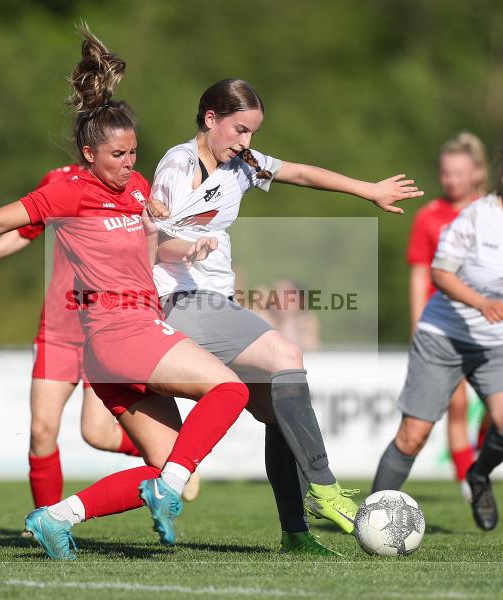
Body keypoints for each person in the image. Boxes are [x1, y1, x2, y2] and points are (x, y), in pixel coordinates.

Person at [0, 26, 249, 560]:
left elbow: (148, 252)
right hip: (121, 332)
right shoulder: (68, 192)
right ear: (88, 152)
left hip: (110, 347)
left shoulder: (139, 190)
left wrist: (180, 246)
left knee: (165, 463)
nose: (130, 163)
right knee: (231, 391)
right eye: (120, 155)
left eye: (134, 153)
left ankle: (57, 518)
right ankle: (165, 490)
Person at [149, 78, 422, 553]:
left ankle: (295, 533)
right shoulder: (179, 165)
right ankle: (324, 487)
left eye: (252, 132)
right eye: (239, 129)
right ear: (210, 119)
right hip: (179, 302)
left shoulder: (243, 164)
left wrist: (367, 190)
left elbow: (300, 172)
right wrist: (189, 246)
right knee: (287, 353)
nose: (246, 142)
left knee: (279, 411)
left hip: (215, 303)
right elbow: (152, 241)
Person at [0, 164, 199, 509]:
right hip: (58, 330)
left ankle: (174, 461)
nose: (123, 158)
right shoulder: (58, 183)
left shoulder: (134, 186)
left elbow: (154, 243)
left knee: (96, 433)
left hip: (105, 329)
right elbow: (24, 229)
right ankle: (45, 520)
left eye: (127, 149)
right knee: (40, 431)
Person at [371, 139, 503, 532]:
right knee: (413, 437)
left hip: (499, 341)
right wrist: (480, 302)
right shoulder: (476, 217)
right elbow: (439, 273)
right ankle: (369, 517)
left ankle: (478, 476)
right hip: (443, 333)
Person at [406, 132, 491, 500]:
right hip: (442, 324)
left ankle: (482, 462)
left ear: (476, 173)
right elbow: (419, 272)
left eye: (459, 172)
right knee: (456, 403)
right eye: (445, 172)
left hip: (488, 321)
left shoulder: (493, 213)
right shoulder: (429, 217)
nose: (451, 179)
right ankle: (468, 480)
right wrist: (417, 323)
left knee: (500, 408)